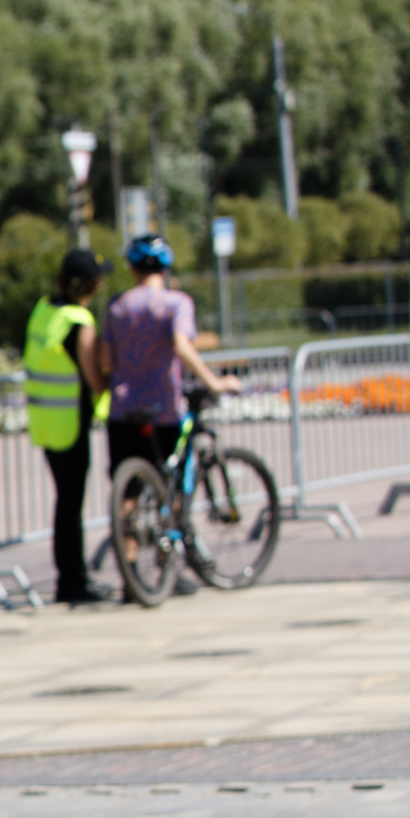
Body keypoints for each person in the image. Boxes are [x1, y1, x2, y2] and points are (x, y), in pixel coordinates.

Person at [105, 233, 239, 595]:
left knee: (128, 495)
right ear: (165, 267)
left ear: (132, 268)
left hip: (122, 409)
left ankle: (130, 575)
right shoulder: (176, 303)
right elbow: (182, 346)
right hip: (163, 407)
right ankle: (167, 568)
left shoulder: (117, 306)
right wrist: (212, 381)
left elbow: (106, 361)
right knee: (172, 487)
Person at [23, 248, 113, 605]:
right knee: (70, 503)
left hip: (45, 420)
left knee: (64, 501)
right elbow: (94, 377)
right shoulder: (79, 321)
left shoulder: (45, 310)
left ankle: (70, 576)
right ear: (91, 283)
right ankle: (73, 579)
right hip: (70, 423)